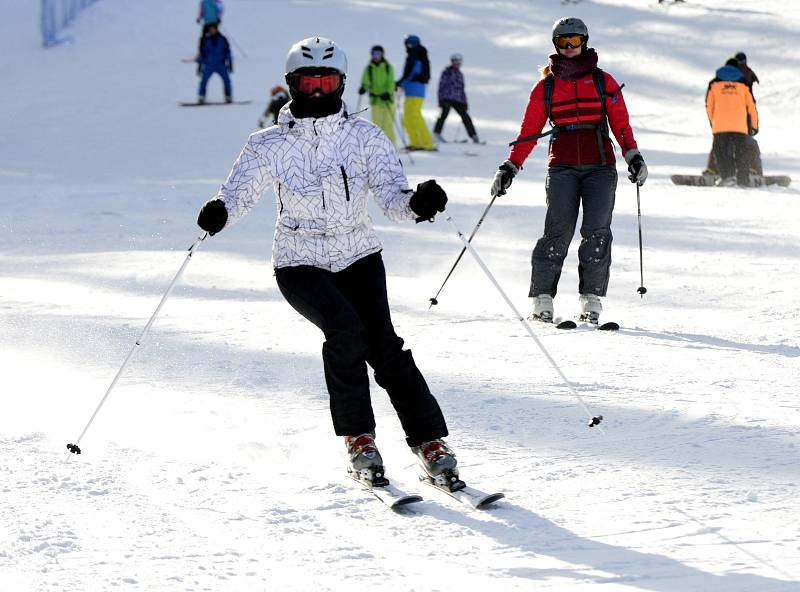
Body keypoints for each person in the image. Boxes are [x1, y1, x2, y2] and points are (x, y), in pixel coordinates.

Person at [196, 37, 463, 489]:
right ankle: (360, 438)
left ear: (340, 82)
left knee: (384, 345)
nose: (318, 90)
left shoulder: (366, 137)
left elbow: (392, 197)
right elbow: (238, 193)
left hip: (358, 253)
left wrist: (419, 203)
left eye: (327, 80)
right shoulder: (267, 145)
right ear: (292, 85)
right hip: (300, 261)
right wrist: (220, 211)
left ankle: (430, 441)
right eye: (308, 81)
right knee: (344, 331)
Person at [490, 17, 647, 324]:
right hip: (561, 167)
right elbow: (528, 132)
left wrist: (634, 156)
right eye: (563, 42)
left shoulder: (604, 81)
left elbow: (621, 124)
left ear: (584, 42)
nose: (570, 47)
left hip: (600, 167)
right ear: (556, 45)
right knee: (558, 232)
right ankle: (543, 297)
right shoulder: (545, 88)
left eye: (574, 41)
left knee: (597, 232)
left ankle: (591, 298)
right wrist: (511, 165)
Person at [703, 52, 762, 182]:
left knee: (721, 152)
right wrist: (754, 126)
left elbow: (709, 105)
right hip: (740, 126)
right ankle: (743, 179)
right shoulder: (743, 83)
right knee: (742, 152)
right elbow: (752, 106)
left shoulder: (714, 83)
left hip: (720, 126)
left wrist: (713, 122)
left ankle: (728, 178)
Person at [433, 53, 481, 145]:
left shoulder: (460, 74)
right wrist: (440, 100)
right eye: (456, 62)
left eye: (459, 62)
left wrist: (465, 102)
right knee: (444, 114)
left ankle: (474, 135)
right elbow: (441, 86)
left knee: (465, 116)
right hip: (446, 98)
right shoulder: (446, 72)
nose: (458, 64)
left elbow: (462, 89)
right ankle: (436, 133)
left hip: (458, 99)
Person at [396, 34, 434, 151]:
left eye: (410, 44)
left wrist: (400, 83)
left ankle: (427, 143)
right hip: (412, 90)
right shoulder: (418, 54)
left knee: (415, 116)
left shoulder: (416, 55)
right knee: (408, 117)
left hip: (415, 91)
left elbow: (412, 72)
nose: (409, 46)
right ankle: (415, 142)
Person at [357, 45, 396, 144]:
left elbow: (391, 82)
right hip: (375, 101)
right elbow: (365, 81)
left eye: (378, 53)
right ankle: (378, 147)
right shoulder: (369, 68)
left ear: (382, 54)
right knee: (376, 125)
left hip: (387, 100)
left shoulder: (388, 67)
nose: (376, 56)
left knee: (387, 125)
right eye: (374, 53)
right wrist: (363, 88)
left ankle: (392, 146)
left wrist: (388, 92)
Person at [195, 23, 232, 104]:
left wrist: (230, 63)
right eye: (210, 29)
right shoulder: (206, 40)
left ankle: (228, 96)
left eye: (213, 29)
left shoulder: (223, 39)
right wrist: (200, 65)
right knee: (204, 80)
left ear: (216, 29)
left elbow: (227, 52)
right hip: (209, 65)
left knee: (227, 80)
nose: (212, 31)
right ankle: (201, 97)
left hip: (220, 64)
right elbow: (203, 54)